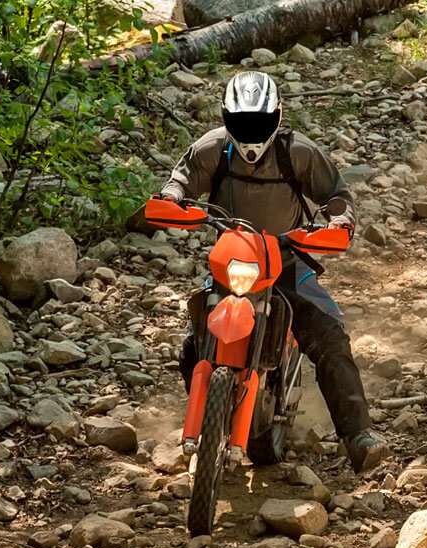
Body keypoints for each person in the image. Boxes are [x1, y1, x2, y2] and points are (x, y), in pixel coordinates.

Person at [155, 71, 388, 473]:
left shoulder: (298, 153)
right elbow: (180, 182)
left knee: (330, 336)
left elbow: (336, 196)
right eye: (242, 123)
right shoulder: (212, 149)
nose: (250, 133)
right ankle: (213, 414)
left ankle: (358, 436)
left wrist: (337, 223)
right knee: (193, 344)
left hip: (286, 259)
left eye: (258, 123)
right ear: (227, 118)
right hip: (232, 259)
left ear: (277, 117)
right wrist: (172, 199)